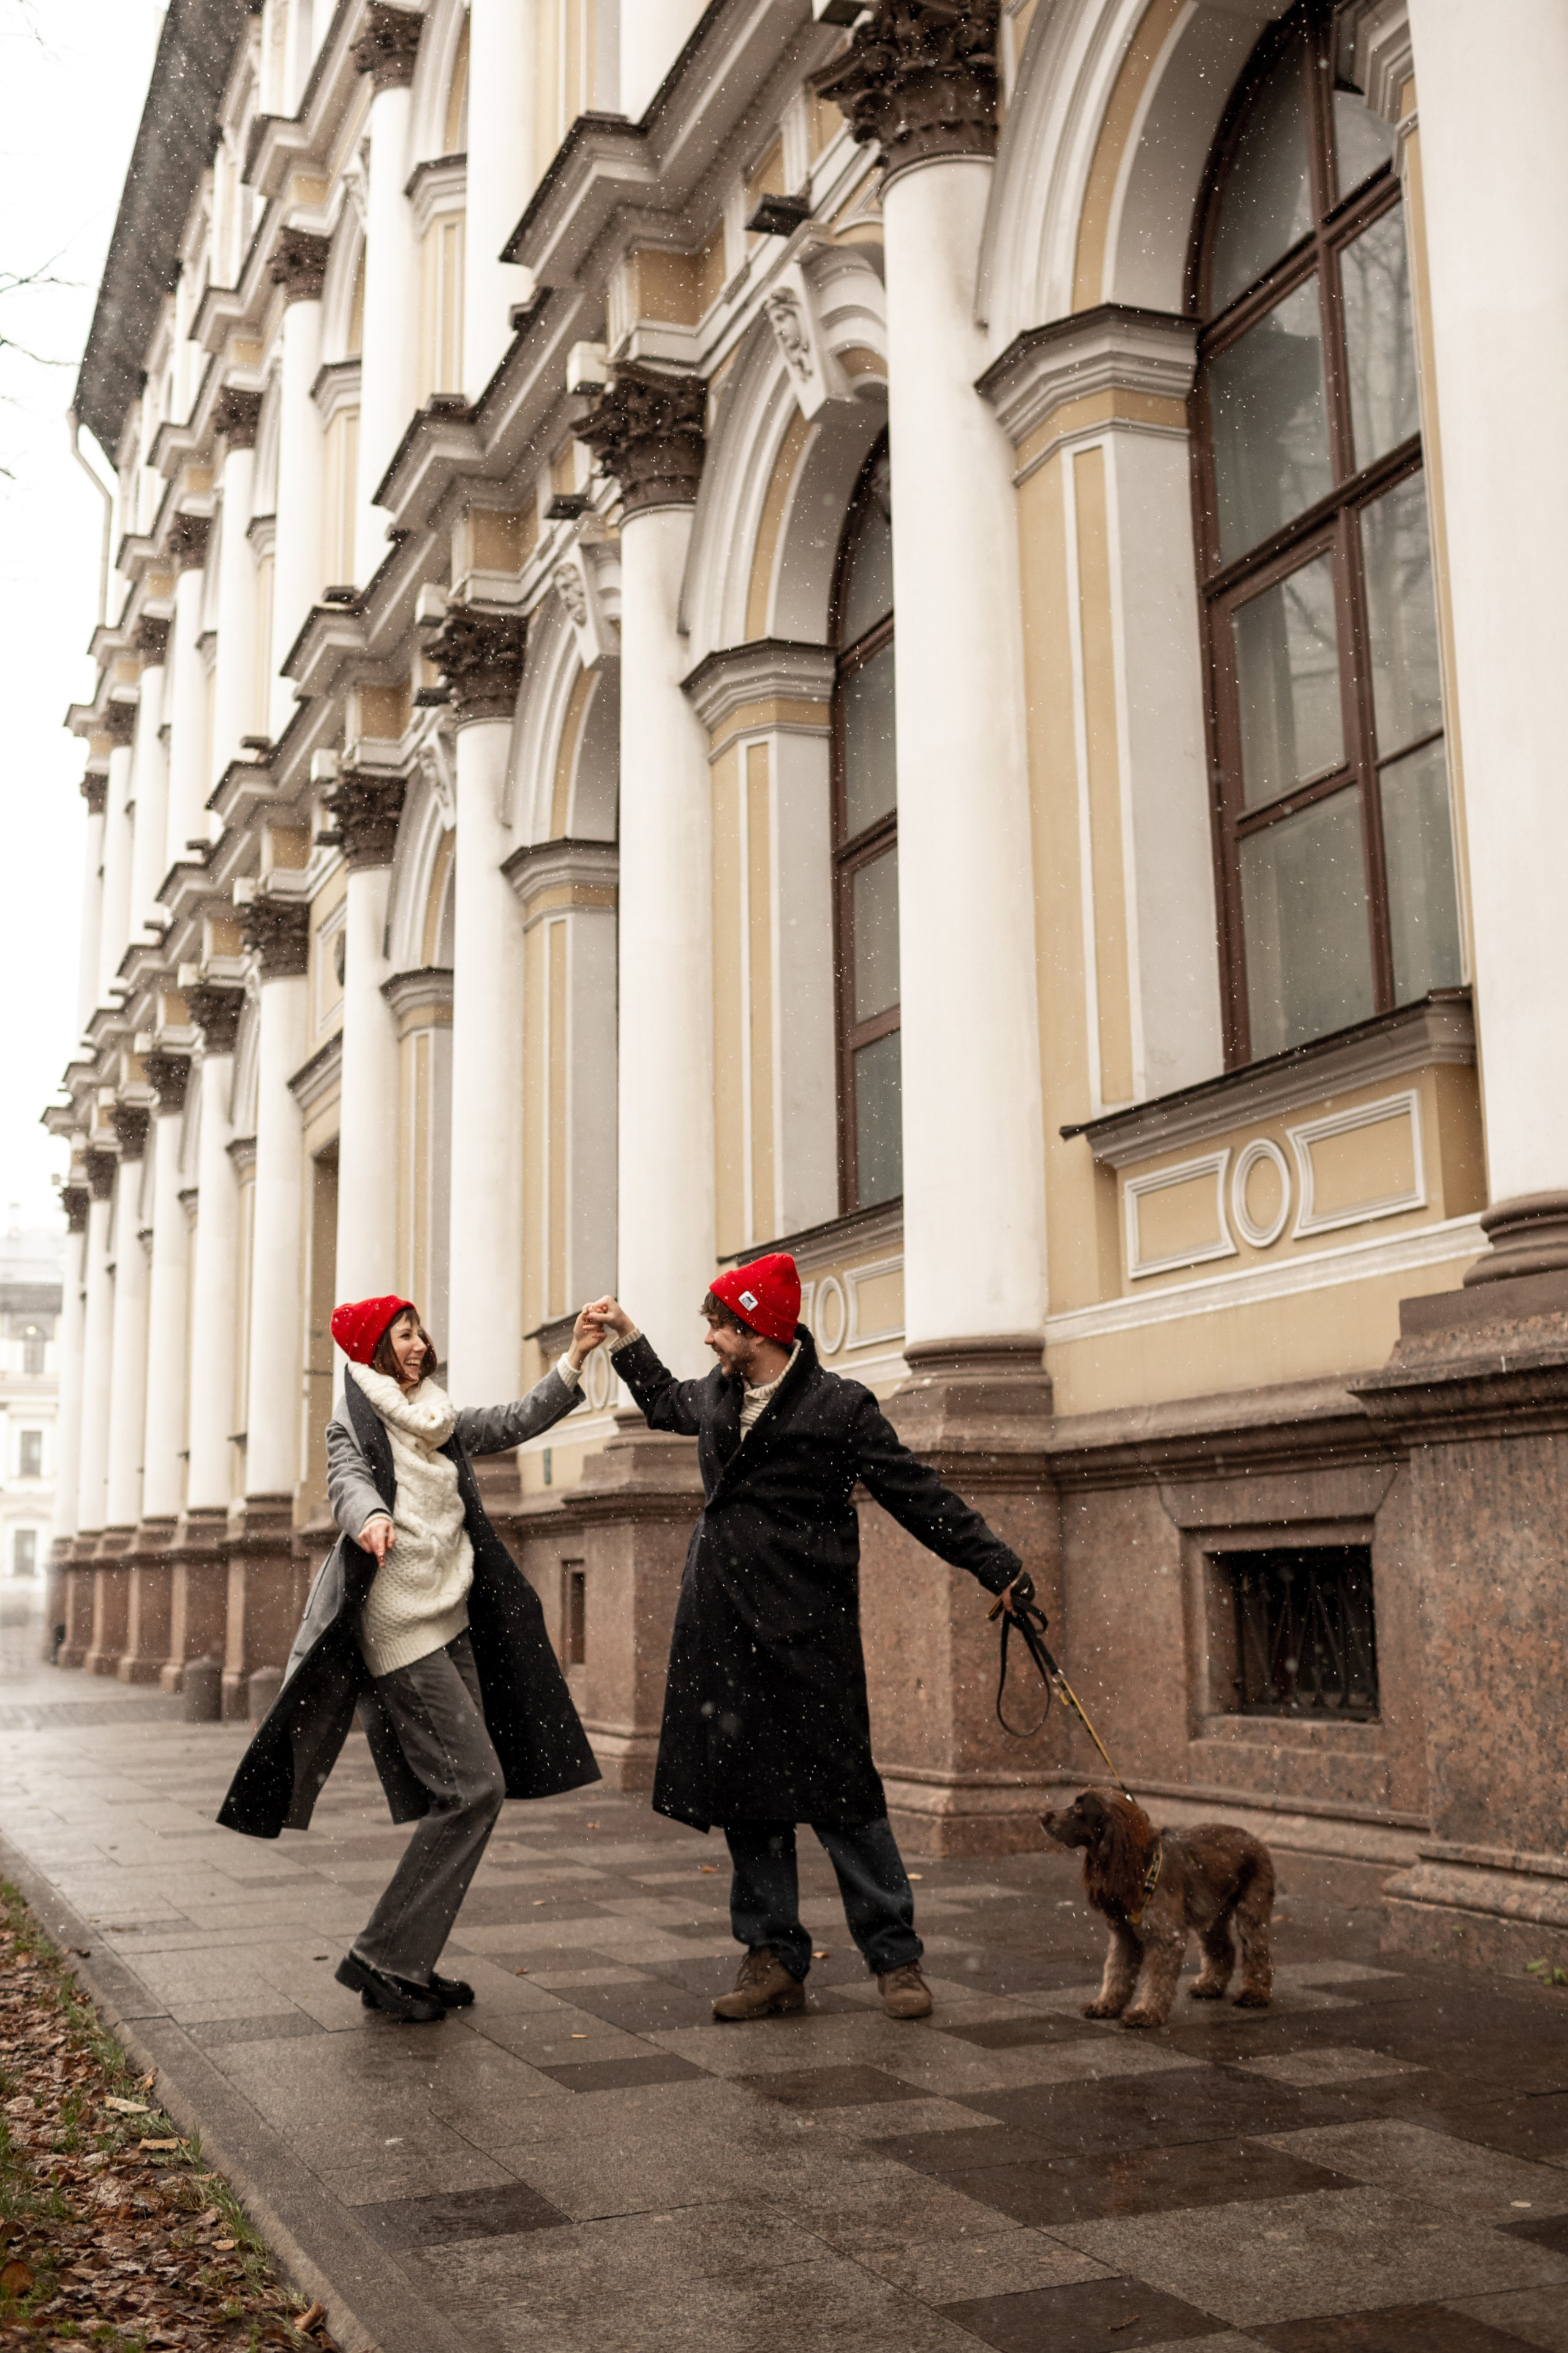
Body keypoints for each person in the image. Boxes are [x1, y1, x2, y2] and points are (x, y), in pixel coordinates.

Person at [584, 1255, 1026, 2022]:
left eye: (719, 1327)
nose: (710, 1340)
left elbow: (914, 1492)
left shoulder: (839, 1405)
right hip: (724, 1626)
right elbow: (660, 1401)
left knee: (844, 1795)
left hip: (807, 1629)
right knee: (748, 1799)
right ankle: (772, 1959)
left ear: (756, 1330)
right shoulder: (718, 1395)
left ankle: (895, 1957)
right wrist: (626, 1338)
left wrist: (996, 1564)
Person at [218, 1293, 604, 2022]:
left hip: (450, 1617)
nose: (420, 1344)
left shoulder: (436, 1414)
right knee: (474, 1788)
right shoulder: (356, 1418)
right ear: (376, 1347)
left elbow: (513, 1421)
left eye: (420, 1332)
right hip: (400, 1628)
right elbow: (346, 1480)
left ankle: (404, 1957)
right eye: (404, 1335)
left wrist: (577, 1356)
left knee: (464, 1793)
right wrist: (369, 1517)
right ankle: (385, 1957)